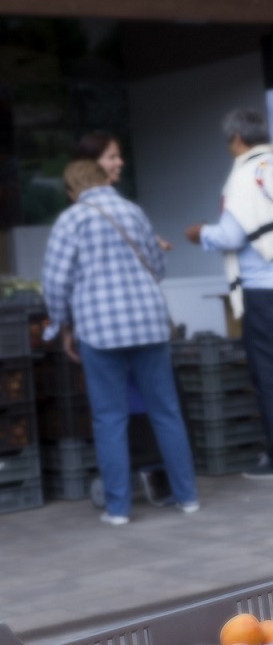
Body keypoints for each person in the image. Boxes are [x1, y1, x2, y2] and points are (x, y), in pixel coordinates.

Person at [42, 159, 198, 525]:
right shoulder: (133, 211)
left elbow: (55, 281)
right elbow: (158, 267)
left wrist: (62, 325)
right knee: (166, 412)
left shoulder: (72, 219)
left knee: (109, 418)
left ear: (71, 190)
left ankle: (118, 509)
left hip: (99, 329)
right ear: (102, 179)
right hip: (148, 323)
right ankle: (187, 496)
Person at [185, 109, 273, 480]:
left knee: (270, 377)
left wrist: (200, 233)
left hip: (266, 290)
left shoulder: (243, 178)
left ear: (236, 139)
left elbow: (230, 237)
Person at [73, 131, 171, 251]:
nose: (120, 162)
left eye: (118, 156)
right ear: (91, 163)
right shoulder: (130, 211)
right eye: (112, 157)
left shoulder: (72, 217)